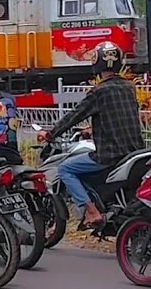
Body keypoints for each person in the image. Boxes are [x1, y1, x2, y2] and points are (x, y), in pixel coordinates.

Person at [36, 41, 143, 228]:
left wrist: (50, 134)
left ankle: (92, 212)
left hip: (109, 155)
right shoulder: (129, 87)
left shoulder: (98, 91)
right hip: (134, 151)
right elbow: (119, 115)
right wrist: (92, 130)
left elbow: (74, 115)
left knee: (65, 169)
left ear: (96, 65)